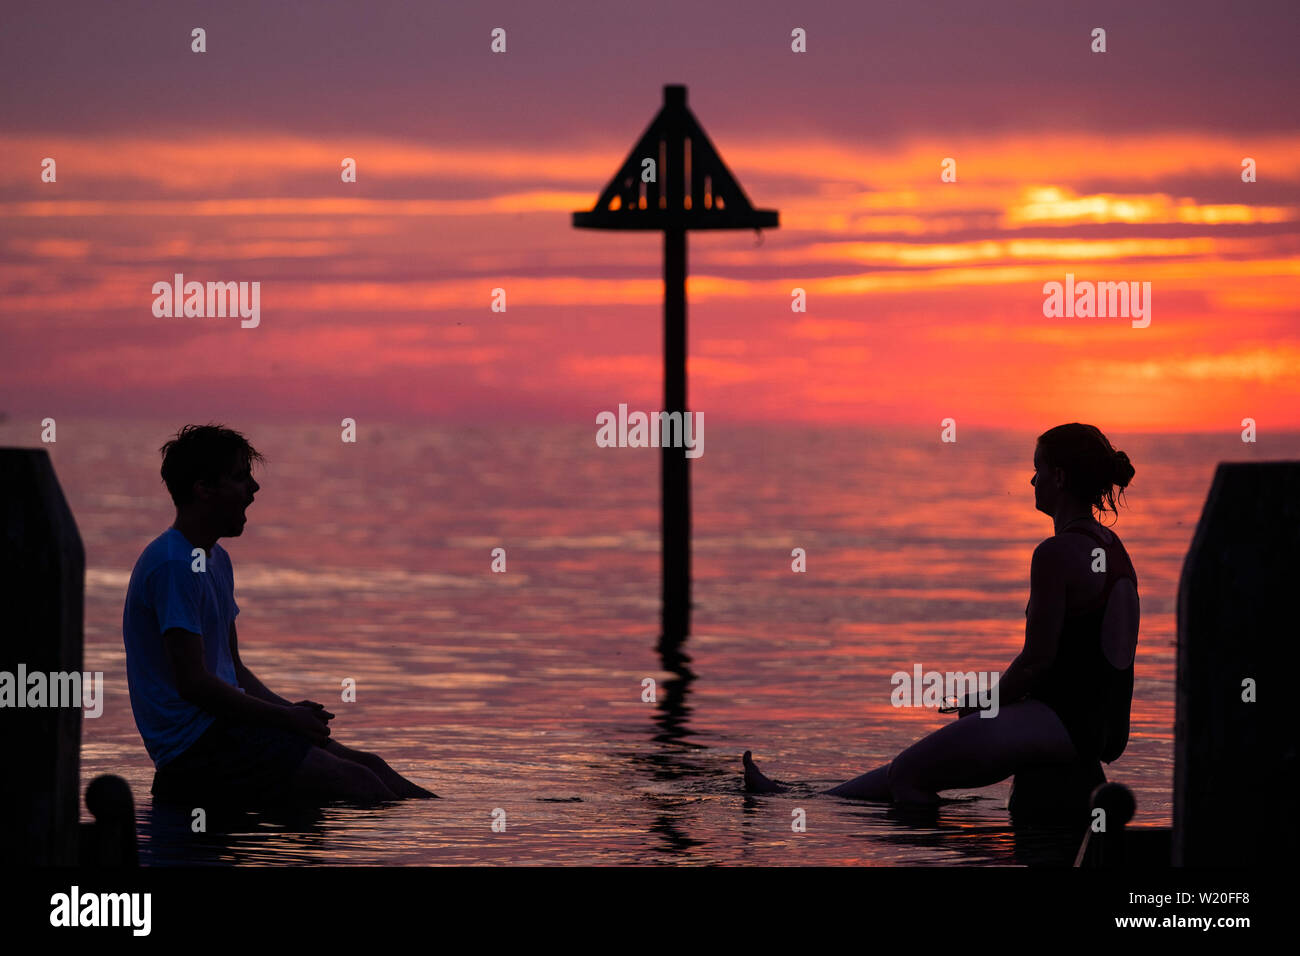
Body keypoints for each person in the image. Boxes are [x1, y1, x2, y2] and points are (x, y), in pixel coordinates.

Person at [744, 423, 1140, 805]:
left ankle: (936, 851)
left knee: (907, 778)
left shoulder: (1055, 554)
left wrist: (985, 702)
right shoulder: (1114, 550)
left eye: (1036, 469)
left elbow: (1037, 662)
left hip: (1060, 723)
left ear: (1057, 476)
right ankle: (800, 798)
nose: (1030, 481)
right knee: (902, 770)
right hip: (1097, 729)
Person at [122, 423, 435, 808]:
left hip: (226, 730)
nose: (253, 489)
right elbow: (195, 685)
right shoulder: (173, 564)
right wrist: (285, 721)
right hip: (194, 748)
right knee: (355, 781)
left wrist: (291, 712)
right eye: (240, 478)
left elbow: (232, 670)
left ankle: (459, 833)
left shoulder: (215, 559)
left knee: (371, 766)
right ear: (203, 489)